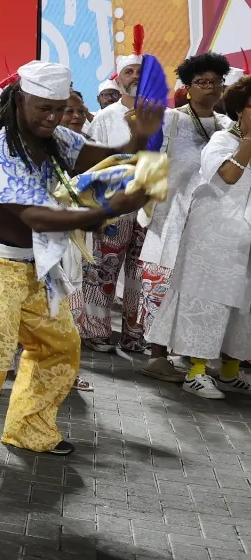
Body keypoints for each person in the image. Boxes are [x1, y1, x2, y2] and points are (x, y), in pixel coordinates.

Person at [0, 62, 162, 469]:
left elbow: (100, 157)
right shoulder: (1, 151)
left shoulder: (54, 138)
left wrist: (139, 138)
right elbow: (37, 217)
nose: (51, 118)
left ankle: (29, 428)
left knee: (59, 346)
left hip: (31, 261)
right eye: (42, 109)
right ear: (18, 101)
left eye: (58, 108)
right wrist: (106, 209)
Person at [146, 76, 251, 397]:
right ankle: (196, 371)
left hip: (244, 240)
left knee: (242, 306)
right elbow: (229, 175)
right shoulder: (222, 140)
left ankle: (230, 370)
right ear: (240, 110)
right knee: (207, 301)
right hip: (212, 236)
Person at [134, 53, 233, 382]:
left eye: (216, 81)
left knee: (193, 286)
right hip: (171, 214)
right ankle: (156, 355)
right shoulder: (170, 119)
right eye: (202, 82)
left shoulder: (226, 127)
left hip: (208, 220)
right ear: (188, 87)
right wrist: (146, 203)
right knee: (162, 279)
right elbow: (148, 160)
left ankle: (187, 351)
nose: (211, 88)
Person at [78, 54, 147, 351]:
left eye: (140, 72)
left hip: (149, 208)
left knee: (140, 274)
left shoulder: (164, 115)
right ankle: (96, 330)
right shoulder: (106, 117)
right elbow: (94, 162)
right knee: (102, 270)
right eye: (128, 72)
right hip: (113, 205)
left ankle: (135, 335)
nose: (134, 76)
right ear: (119, 80)